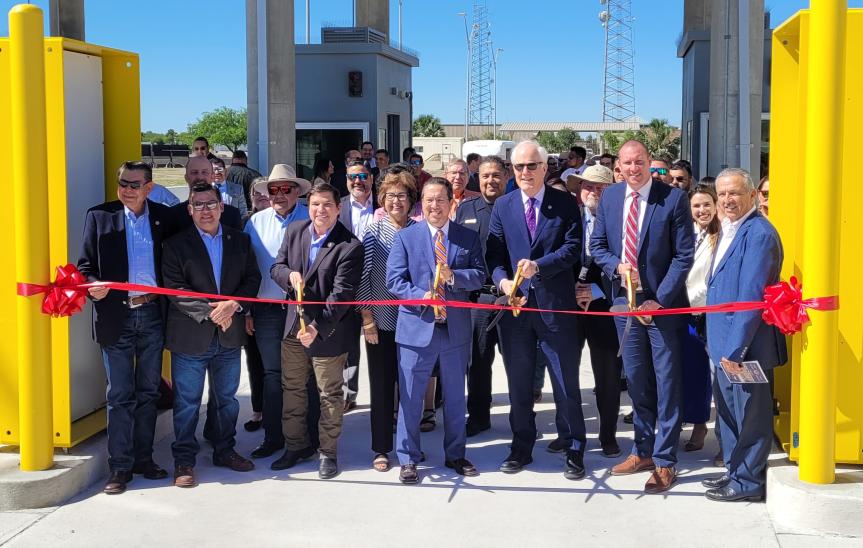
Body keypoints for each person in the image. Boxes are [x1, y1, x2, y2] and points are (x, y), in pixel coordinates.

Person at [590, 140, 694, 494]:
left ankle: (665, 461)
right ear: (618, 166)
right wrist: (614, 267)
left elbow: (683, 256)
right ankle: (643, 450)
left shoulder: (673, 199)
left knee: (667, 383)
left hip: (662, 308)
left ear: (649, 163)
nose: (633, 169)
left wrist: (658, 301)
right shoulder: (610, 197)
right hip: (624, 305)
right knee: (636, 381)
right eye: (627, 163)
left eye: (639, 162)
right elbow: (598, 246)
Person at [485, 141, 588, 481]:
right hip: (516, 312)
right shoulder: (503, 205)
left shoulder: (564, 204)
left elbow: (574, 249)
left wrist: (539, 267)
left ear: (546, 168)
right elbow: (494, 256)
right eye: (519, 167)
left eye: (531, 166)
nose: (525, 172)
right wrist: (502, 283)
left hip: (555, 308)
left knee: (565, 382)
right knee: (518, 383)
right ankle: (521, 445)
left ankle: (574, 447)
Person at [78, 161, 173, 495]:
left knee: (148, 392)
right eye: (123, 184)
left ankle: (144, 459)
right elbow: (84, 266)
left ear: (149, 187)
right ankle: (119, 468)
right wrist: (92, 284)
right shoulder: (99, 216)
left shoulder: (165, 218)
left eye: (135, 184)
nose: (128, 190)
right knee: (119, 395)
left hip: (152, 316)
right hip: (115, 317)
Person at [162, 182, 261, 488]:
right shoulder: (174, 245)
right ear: (189, 210)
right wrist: (212, 312)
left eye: (211, 204)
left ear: (221, 207)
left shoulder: (240, 241)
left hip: (229, 339)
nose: (205, 211)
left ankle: (224, 449)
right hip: (191, 337)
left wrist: (234, 304)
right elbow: (175, 289)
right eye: (199, 205)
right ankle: (184, 459)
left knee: (227, 400)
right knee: (188, 402)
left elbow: (252, 278)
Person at [387, 177, 485, 484]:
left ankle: (456, 454)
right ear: (421, 204)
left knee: (456, 398)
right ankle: (408, 458)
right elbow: (394, 281)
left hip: (454, 330)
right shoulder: (407, 237)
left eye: (440, 200)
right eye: (428, 200)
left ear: (451, 203)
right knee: (411, 398)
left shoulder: (466, 237)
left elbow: (480, 276)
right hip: (417, 329)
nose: (434, 206)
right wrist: (420, 295)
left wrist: (454, 276)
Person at [269, 182, 364, 479]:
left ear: (338, 209)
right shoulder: (295, 230)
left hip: (327, 332)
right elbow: (277, 266)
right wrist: (288, 276)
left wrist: (315, 327)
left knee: (329, 395)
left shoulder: (349, 245)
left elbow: (342, 296)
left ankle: (327, 452)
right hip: (292, 329)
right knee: (293, 389)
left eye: (326, 205)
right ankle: (296, 445)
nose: (319, 210)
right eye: (314, 204)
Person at [703, 168, 786, 502]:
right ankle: (734, 473)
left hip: (744, 349)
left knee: (751, 417)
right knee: (729, 415)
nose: (727, 200)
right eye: (722, 194)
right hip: (723, 345)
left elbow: (751, 296)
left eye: (734, 193)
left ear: (753, 195)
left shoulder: (759, 233)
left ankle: (748, 483)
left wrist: (734, 350)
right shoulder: (728, 229)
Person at [243, 165, 312, 460]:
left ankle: (307, 437)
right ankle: (273, 437)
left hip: (304, 310)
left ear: (296, 191)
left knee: (303, 375)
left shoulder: (312, 218)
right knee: (272, 375)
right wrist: (247, 308)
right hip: (267, 310)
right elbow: (245, 269)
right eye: (273, 189)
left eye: (286, 188)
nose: (280, 194)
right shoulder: (254, 223)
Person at [357, 170, 418, 472]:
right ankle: (381, 447)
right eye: (391, 195)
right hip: (380, 322)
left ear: (411, 200)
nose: (397, 201)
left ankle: (408, 448)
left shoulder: (420, 230)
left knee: (409, 387)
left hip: (413, 323)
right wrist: (367, 317)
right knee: (382, 388)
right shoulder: (374, 231)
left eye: (402, 195)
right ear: (382, 199)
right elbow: (362, 276)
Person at [572, 165, 623, 458]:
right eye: (587, 186)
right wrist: (574, 290)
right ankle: (571, 433)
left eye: (600, 187)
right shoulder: (570, 220)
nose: (592, 192)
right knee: (566, 373)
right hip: (571, 306)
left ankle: (608, 435)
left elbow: (625, 261)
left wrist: (598, 291)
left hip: (605, 305)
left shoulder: (619, 223)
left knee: (607, 375)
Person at [456, 156, 506, 437]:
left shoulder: (515, 207)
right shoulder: (466, 209)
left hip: (511, 298)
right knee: (477, 361)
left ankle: (523, 417)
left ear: (506, 177)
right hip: (479, 298)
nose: (491, 181)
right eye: (486, 176)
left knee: (517, 361)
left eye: (496, 175)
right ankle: (478, 416)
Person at [682, 184, 721, 452]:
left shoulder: (723, 234)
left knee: (720, 376)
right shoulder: (686, 233)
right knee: (694, 372)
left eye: (707, 204)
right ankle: (698, 423)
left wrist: (693, 300)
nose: (702, 210)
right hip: (685, 313)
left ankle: (725, 440)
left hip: (712, 311)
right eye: (696, 205)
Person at [337, 160, 378, 411]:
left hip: (379, 285)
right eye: (352, 177)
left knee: (378, 343)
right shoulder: (337, 206)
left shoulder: (384, 205)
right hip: (346, 284)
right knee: (347, 343)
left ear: (371, 179)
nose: (358, 181)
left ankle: (385, 397)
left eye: (363, 175)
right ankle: (348, 394)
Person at [170, 155, 242, 232]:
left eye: (205, 172)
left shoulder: (231, 215)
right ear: (186, 178)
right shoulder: (173, 216)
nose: (200, 177)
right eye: (194, 172)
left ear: (212, 177)